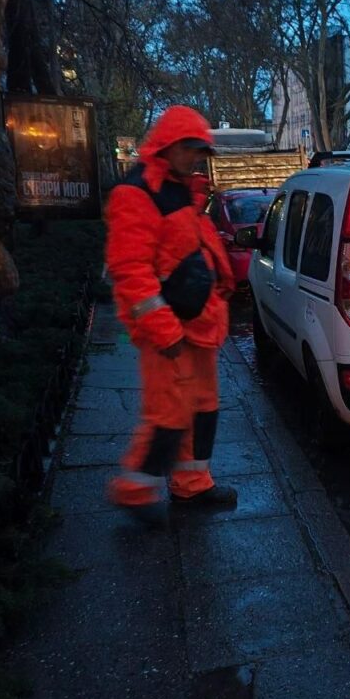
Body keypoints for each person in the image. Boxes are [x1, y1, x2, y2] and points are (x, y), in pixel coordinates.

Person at [104, 105, 238, 525]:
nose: (195, 157)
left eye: (199, 150)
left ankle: (192, 485)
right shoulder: (137, 193)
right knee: (169, 413)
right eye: (188, 148)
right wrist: (164, 330)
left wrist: (221, 283)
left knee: (202, 408)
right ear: (166, 145)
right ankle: (134, 490)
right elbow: (131, 271)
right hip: (170, 328)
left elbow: (191, 248)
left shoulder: (180, 190)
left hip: (197, 323)